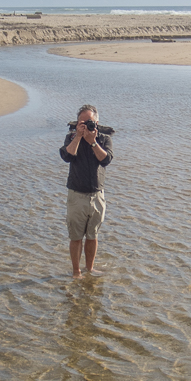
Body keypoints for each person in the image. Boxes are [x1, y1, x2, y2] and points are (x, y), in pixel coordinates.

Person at [59, 104, 114, 278]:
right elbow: (67, 156)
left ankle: (90, 269)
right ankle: (76, 272)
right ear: (77, 123)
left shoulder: (104, 139)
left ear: (96, 122)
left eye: (89, 122)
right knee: (75, 237)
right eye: (81, 122)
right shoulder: (71, 137)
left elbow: (106, 160)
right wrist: (78, 137)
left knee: (93, 235)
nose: (86, 125)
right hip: (76, 195)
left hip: (97, 195)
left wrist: (92, 142)